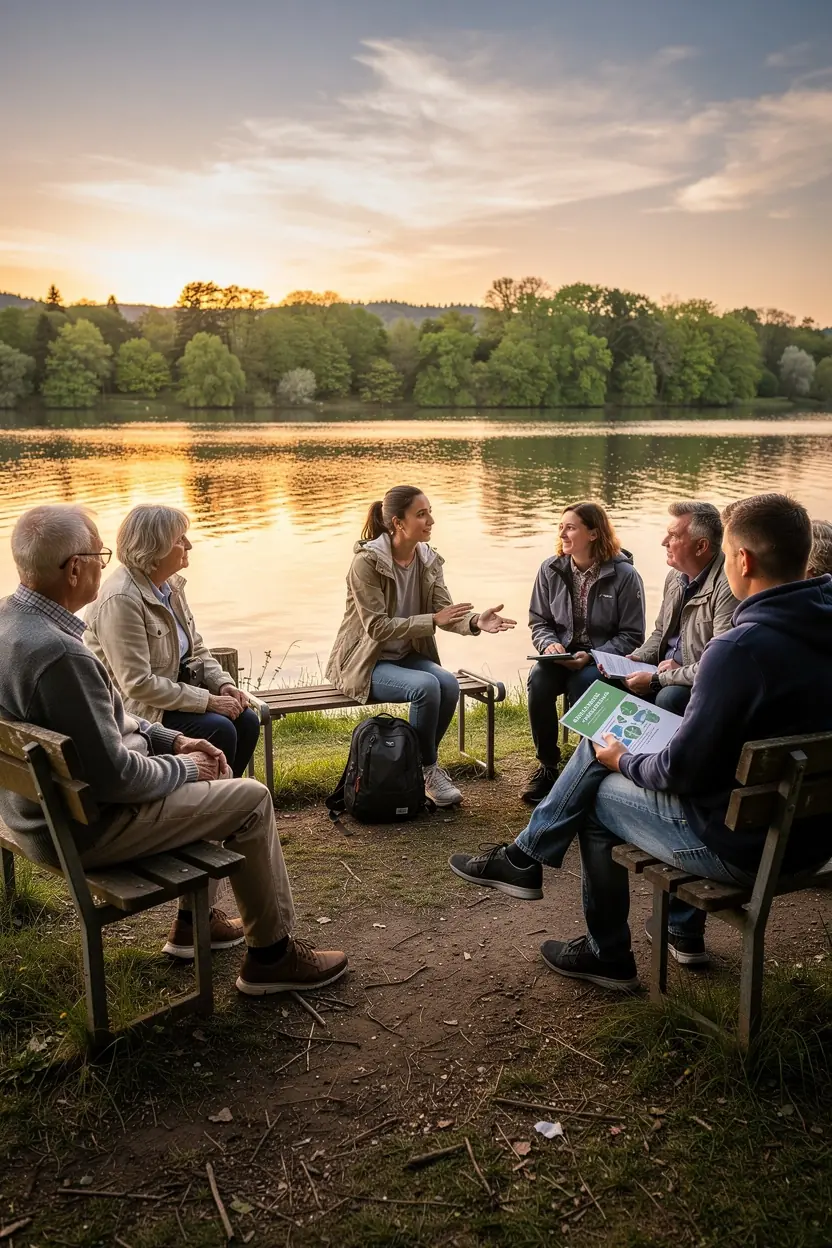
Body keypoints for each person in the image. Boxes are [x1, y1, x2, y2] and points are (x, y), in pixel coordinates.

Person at [449, 494, 832, 988]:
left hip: (746, 850)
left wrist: (624, 759)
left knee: (595, 794)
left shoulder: (737, 650)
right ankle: (670, 928)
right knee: (621, 742)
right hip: (813, 840)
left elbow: (680, 774)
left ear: (743, 560)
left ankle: (603, 948)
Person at [0, 504, 347, 992]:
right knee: (250, 799)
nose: (105, 561)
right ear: (75, 568)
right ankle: (271, 955)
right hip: (82, 830)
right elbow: (118, 779)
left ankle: (193, 923)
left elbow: (115, 719)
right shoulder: (62, 656)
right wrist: (186, 767)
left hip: (40, 812)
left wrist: (174, 738)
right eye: (99, 553)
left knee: (220, 766)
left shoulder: (13, 625)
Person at [326, 485, 516, 807]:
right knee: (427, 687)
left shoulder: (428, 560)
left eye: (429, 512)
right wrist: (431, 620)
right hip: (366, 662)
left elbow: (445, 611)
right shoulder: (366, 563)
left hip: (404, 656)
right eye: (421, 514)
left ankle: (415, 767)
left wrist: (474, 622)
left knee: (448, 683)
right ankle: (426, 770)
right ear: (398, 523)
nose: (431, 520)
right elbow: (376, 627)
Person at [84, 505, 260, 779]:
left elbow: (196, 646)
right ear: (155, 548)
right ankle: (205, 806)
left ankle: (228, 797)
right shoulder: (122, 600)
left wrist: (223, 684)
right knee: (219, 728)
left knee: (247, 719)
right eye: (180, 539)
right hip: (140, 711)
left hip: (173, 698)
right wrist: (209, 702)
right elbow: (137, 685)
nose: (188, 544)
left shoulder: (170, 585)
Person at [523, 502, 645, 805]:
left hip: (602, 658)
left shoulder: (625, 575)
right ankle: (548, 767)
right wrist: (549, 645)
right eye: (561, 526)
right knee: (539, 681)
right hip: (561, 654)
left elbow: (632, 635)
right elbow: (539, 621)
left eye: (571, 527)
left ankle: (584, 771)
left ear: (593, 533)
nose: (562, 533)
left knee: (584, 685)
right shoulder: (550, 568)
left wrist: (592, 655)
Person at [621, 502, 737, 715]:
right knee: (608, 682)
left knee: (669, 696)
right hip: (665, 670)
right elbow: (659, 632)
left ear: (701, 546)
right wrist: (638, 657)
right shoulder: (675, 576)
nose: (664, 542)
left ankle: (667, 747)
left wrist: (659, 680)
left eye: (673, 536)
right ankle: (617, 746)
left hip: (698, 681)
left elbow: (719, 663)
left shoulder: (728, 586)